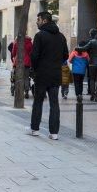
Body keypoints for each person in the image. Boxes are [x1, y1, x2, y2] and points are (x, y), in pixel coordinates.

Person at [29, 11, 68, 140]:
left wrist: (34, 69)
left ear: (44, 20)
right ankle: (54, 133)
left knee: (38, 102)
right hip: (55, 75)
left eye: (38, 19)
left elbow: (34, 56)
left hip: (41, 74)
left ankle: (35, 129)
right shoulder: (61, 37)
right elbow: (65, 55)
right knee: (54, 103)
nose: (37, 22)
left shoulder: (39, 36)